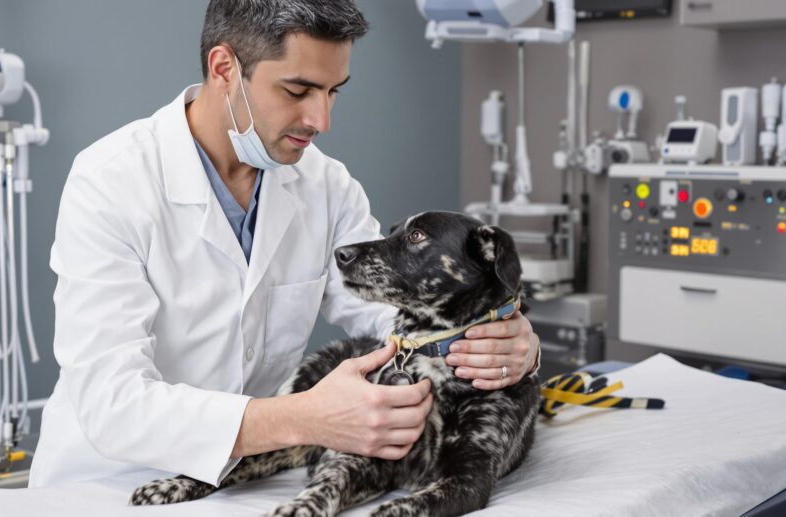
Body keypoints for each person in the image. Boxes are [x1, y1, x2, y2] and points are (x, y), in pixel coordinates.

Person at [29, 0, 540, 488]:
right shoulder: (109, 181)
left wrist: (503, 343)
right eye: (298, 91)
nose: (322, 121)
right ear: (225, 68)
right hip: (108, 481)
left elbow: (392, 317)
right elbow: (112, 402)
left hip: (244, 480)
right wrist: (303, 418)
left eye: (334, 91)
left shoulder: (327, 186)